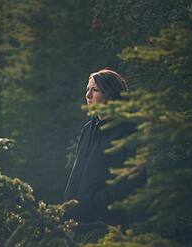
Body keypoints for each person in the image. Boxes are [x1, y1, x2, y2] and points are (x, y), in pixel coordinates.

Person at [63, 68, 147, 231]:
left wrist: (94, 203)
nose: (88, 96)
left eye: (94, 90)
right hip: (79, 223)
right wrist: (67, 208)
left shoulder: (128, 130)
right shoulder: (88, 129)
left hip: (108, 225)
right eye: (87, 89)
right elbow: (77, 173)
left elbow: (134, 182)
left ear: (110, 93)